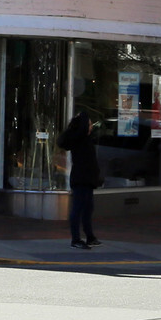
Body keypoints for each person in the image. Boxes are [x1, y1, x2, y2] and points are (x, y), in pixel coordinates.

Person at [60, 105, 100, 249]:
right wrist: (80, 118)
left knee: (88, 208)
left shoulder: (87, 139)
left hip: (87, 179)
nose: (91, 127)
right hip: (81, 179)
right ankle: (76, 238)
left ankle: (89, 236)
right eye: (89, 124)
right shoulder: (79, 139)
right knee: (78, 209)